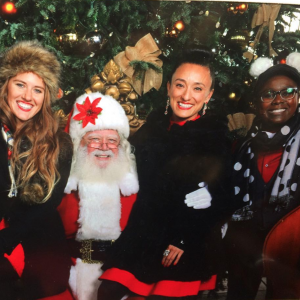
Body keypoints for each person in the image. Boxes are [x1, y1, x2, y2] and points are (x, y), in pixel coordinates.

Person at [97, 48, 232, 300]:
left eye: (197, 88)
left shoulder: (215, 139)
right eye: (180, 85)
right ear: (169, 87)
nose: (186, 96)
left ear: (209, 95)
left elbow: (224, 198)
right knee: (108, 291)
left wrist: (184, 238)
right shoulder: (151, 130)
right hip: (145, 232)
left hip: (186, 236)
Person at [0, 41, 73, 300]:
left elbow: (48, 205)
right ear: (6, 85)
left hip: (37, 243)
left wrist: (5, 242)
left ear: (46, 97)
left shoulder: (58, 144)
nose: (27, 97)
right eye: (20, 84)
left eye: (38, 90)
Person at [225, 53, 300, 300]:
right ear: (258, 103)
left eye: (287, 92)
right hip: (246, 248)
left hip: (292, 250)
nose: (278, 100)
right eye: (268, 94)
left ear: (298, 98)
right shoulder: (244, 146)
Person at [57, 92, 139, 300]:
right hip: (71, 271)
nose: (104, 147)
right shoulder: (61, 186)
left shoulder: (136, 186)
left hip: (123, 273)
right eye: (94, 139)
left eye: (112, 140)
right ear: (79, 144)